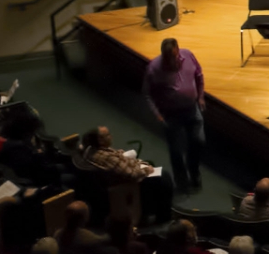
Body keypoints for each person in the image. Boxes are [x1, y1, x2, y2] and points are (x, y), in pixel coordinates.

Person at [143, 38, 204, 192]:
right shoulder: (154, 68)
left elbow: (199, 75)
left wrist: (201, 96)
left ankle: (194, 172)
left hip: (191, 109)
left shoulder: (188, 55)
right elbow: (148, 94)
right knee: (176, 150)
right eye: (168, 58)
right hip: (171, 115)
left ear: (178, 51)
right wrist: (157, 115)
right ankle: (182, 181)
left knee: (198, 141)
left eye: (174, 57)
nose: (172, 61)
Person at [80, 126, 173, 222]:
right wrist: (146, 170)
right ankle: (163, 218)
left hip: (127, 172)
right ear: (100, 140)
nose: (111, 136)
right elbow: (131, 174)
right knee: (164, 177)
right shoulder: (108, 158)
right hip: (129, 183)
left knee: (161, 175)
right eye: (107, 135)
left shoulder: (91, 150)